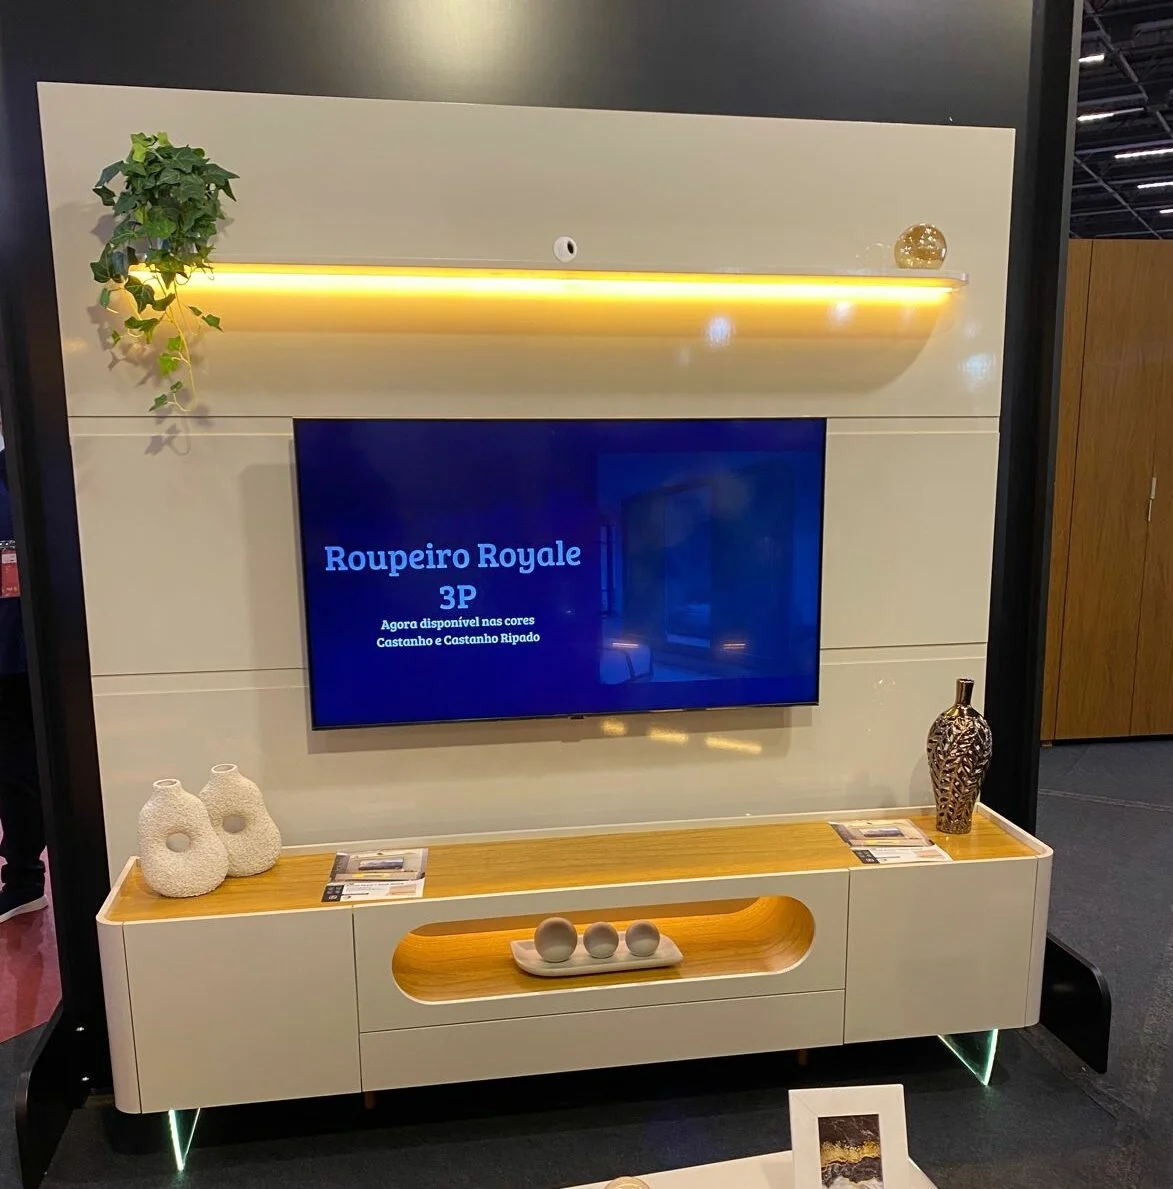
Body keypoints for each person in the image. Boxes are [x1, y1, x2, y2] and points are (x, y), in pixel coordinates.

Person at [0, 428, 47, 922]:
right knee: (13, 772)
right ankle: (22, 876)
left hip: (32, 656)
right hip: (10, 655)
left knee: (23, 770)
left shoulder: (24, 469)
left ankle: (24, 877)